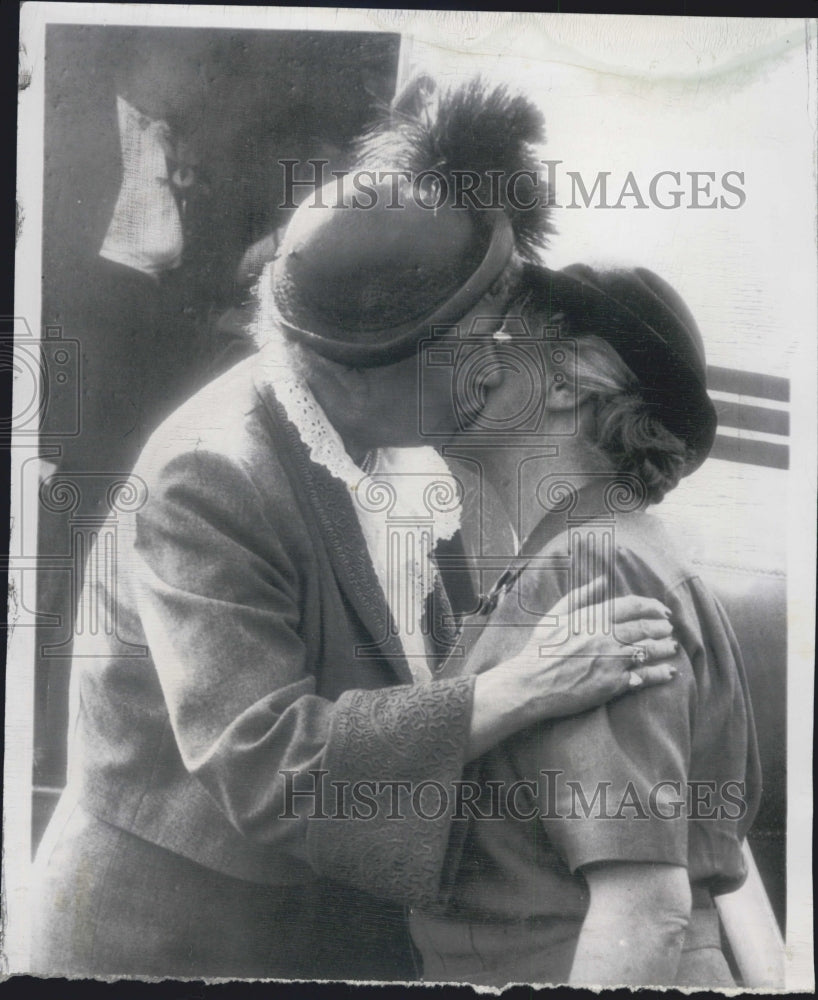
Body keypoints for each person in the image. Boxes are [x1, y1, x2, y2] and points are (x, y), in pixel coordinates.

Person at [30, 82, 677, 980]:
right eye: (486, 341)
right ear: (374, 368)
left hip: (321, 917)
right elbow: (268, 764)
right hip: (172, 937)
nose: (503, 365)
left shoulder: (408, 444)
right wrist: (519, 690)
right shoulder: (211, 476)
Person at [409, 263, 762, 988]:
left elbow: (644, 911)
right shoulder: (614, 550)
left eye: (493, 339)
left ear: (567, 383)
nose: (460, 359)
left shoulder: (588, 566)